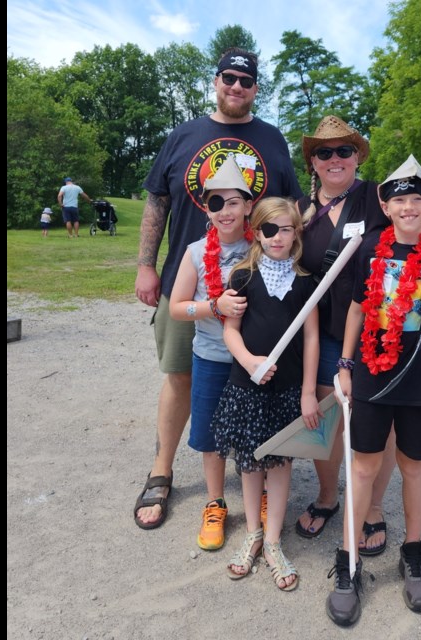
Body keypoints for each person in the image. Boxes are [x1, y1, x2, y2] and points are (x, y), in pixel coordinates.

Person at [133, 48, 303, 534]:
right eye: (229, 77)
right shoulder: (184, 134)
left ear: (255, 88)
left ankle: (255, 478)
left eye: (246, 80)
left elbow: (289, 211)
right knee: (181, 378)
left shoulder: (272, 140)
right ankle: (162, 469)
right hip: (188, 279)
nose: (236, 86)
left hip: (255, 287)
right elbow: (157, 202)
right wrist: (147, 265)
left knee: (256, 382)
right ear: (217, 80)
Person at [326, 155, 421, 627]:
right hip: (371, 377)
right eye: (399, 199)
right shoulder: (371, 248)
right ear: (385, 205)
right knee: (364, 466)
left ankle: (413, 554)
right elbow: (355, 310)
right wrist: (346, 365)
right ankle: (347, 563)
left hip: (418, 380)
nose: (408, 206)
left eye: (417, 198)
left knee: (414, 466)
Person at [295, 115, 421, 557]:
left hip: (376, 333)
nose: (335, 159)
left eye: (344, 150)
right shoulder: (299, 209)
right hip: (323, 330)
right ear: (313, 162)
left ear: (358, 156)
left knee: (381, 430)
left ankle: (374, 508)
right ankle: (329, 497)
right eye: (324, 152)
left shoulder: (376, 198)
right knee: (327, 421)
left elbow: (417, 237)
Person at [211, 197, 319, 591]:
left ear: (296, 232)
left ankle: (273, 540)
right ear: (256, 232)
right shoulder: (242, 276)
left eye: (286, 229)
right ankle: (253, 532)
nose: (278, 237)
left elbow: (310, 338)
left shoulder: (308, 280)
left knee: (280, 463)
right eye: (269, 230)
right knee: (251, 461)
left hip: (288, 390)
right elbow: (230, 330)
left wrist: (308, 391)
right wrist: (249, 361)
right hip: (247, 386)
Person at [165, 160, 254, 550]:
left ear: (250, 205)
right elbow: (176, 307)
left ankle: (260, 496)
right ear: (206, 209)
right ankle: (215, 502)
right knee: (211, 435)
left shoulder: (264, 244)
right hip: (211, 356)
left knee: (256, 431)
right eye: (215, 203)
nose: (225, 211)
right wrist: (213, 306)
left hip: (253, 357)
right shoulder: (197, 252)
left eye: (233, 202)